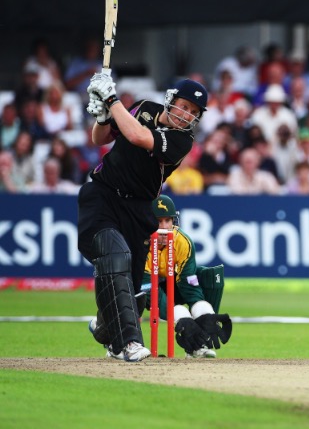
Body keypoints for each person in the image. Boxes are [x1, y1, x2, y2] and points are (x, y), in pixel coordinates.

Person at [79, 72, 230, 362]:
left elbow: (138, 136)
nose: (186, 115)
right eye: (184, 106)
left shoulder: (182, 141)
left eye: (194, 112)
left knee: (135, 290)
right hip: (104, 193)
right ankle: (129, 343)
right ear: (171, 100)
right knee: (114, 255)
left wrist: (111, 101)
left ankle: (106, 329)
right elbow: (100, 139)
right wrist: (102, 117)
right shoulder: (144, 107)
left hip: (139, 209)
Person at [141, 195, 230, 358]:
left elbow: (188, 281)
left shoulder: (182, 242)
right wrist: (181, 316)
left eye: (167, 221)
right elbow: (147, 285)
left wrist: (203, 312)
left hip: (170, 282)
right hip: (144, 286)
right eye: (158, 221)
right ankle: (121, 341)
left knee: (209, 277)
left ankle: (198, 342)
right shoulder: (141, 242)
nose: (164, 227)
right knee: (132, 291)